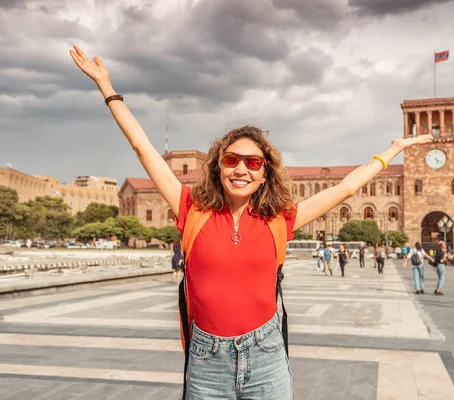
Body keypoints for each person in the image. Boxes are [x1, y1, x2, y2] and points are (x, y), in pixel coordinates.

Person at [69, 44, 432, 400]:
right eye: (232, 160)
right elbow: (142, 147)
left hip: (266, 356)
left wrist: (393, 149)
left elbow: (346, 187)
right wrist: (106, 86)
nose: (241, 168)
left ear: (264, 174)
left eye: (253, 163)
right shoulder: (191, 208)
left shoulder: (280, 219)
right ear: (218, 166)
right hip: (206, 360)